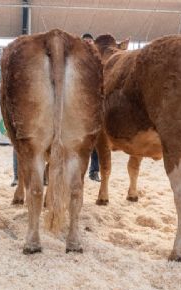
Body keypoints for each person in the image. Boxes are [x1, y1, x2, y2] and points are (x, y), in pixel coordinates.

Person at [81, 33, 101, 181]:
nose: (88, 43)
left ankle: (94, 171)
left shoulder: (98, 59)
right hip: (78, 105)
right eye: (85, 41)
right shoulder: (77, 58)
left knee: (96, 141)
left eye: (90, 41)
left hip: (94, 105)